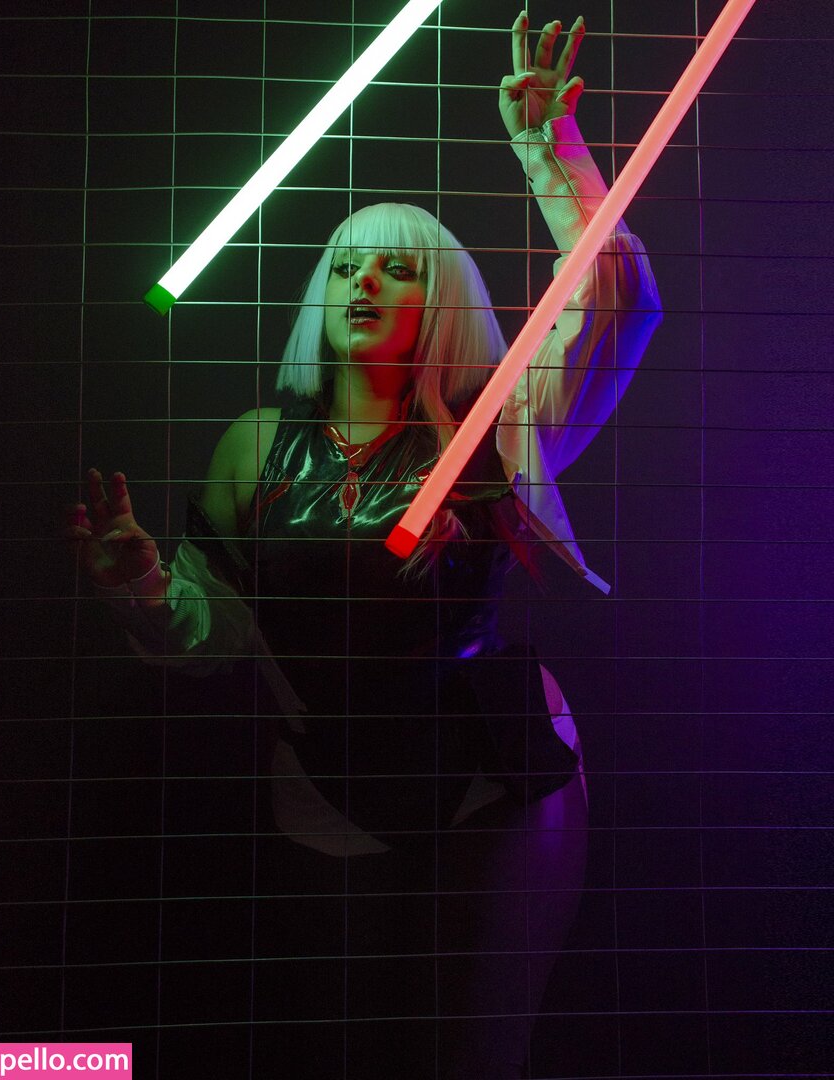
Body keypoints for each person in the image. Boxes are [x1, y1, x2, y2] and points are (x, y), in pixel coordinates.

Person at [68, 12, 661, 1078]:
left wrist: (550, 146)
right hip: (327, 783)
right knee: (344, 1047)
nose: (366, 284)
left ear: (441, 299)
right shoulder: (257, 445)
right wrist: (142, 585)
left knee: (474, 1050)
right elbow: (212, 635)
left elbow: (619, 301)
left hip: (495, 775)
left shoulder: (496, 427)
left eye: (396, 268)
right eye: (347, 267)